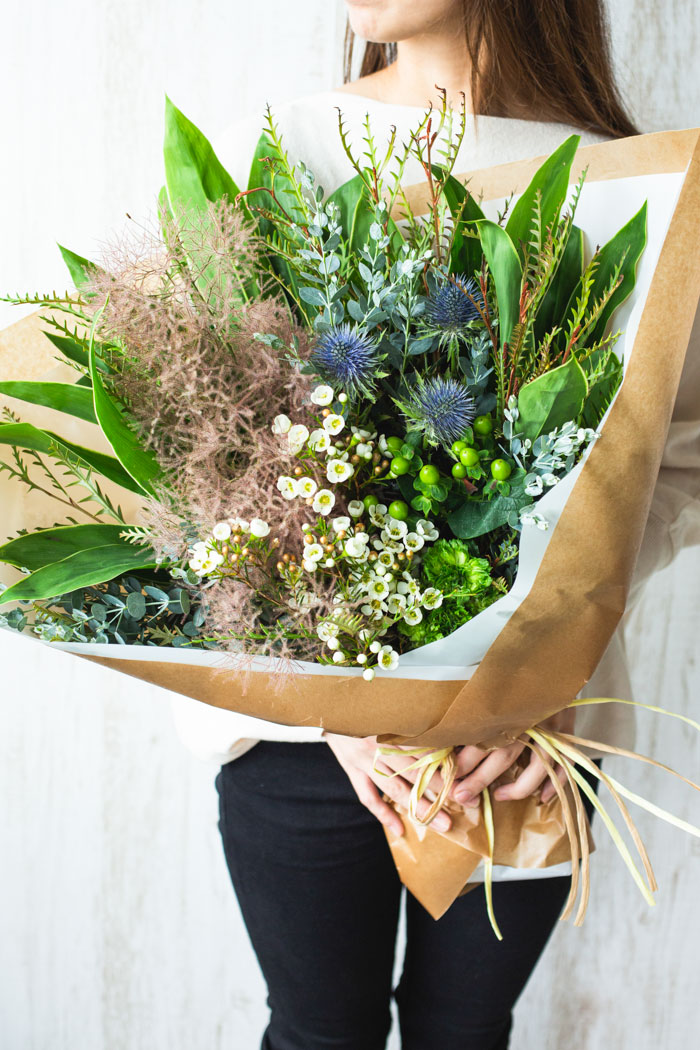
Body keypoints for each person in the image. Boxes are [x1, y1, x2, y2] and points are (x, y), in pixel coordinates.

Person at [168, 2, 700, 1047]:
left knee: (467, 1033)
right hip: (306, 743)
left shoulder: (634, 183)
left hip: (534, 745)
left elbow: (674, 458)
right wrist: (340, 710)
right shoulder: (290, 144)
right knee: (320, 1031)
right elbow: (212, 447)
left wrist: (532, 672)